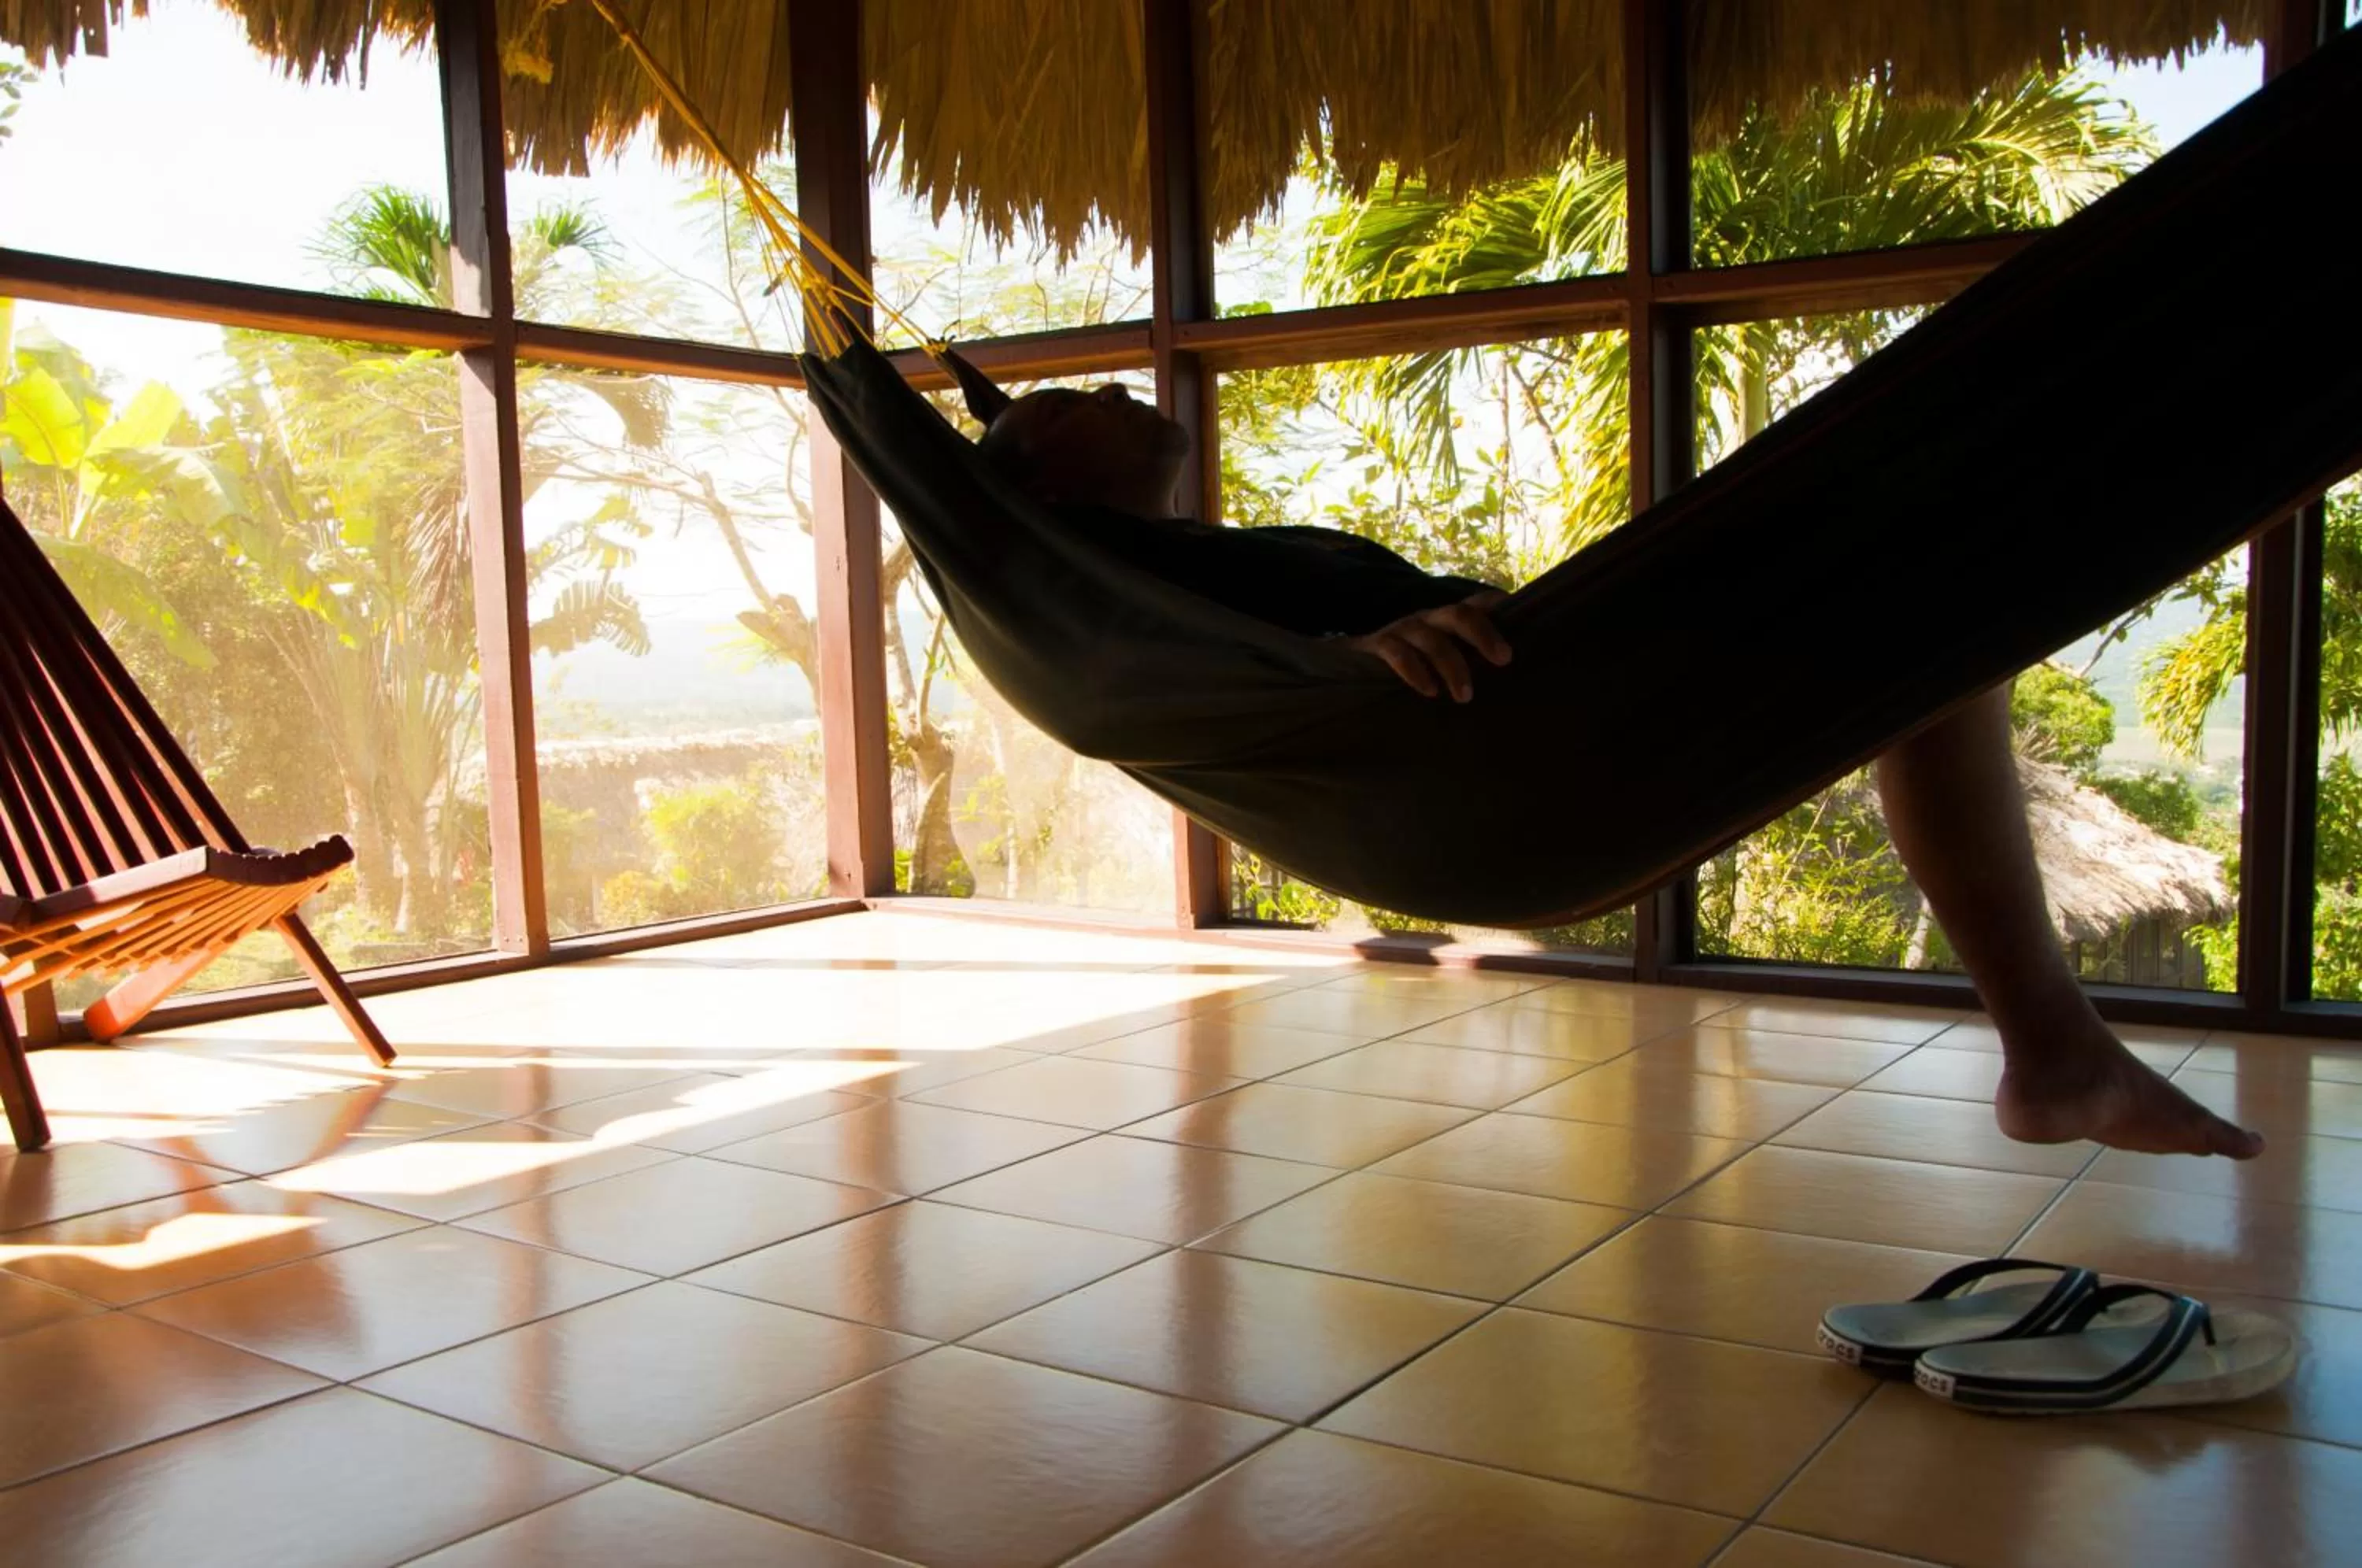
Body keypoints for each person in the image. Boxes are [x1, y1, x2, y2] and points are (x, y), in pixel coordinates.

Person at [972, 378, 2265, 1163]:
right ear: (1039, 480)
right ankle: (2054, 1057)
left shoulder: (1169, 560)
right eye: (1070, 406)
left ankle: (2055, 1057)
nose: (1118, 396)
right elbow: (1194, 670)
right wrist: (1353, 653)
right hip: (1498, 747)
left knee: (1935, 628)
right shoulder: (1105, 580)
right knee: (1927, 610)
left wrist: (1346, 649)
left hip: (1549, 694)